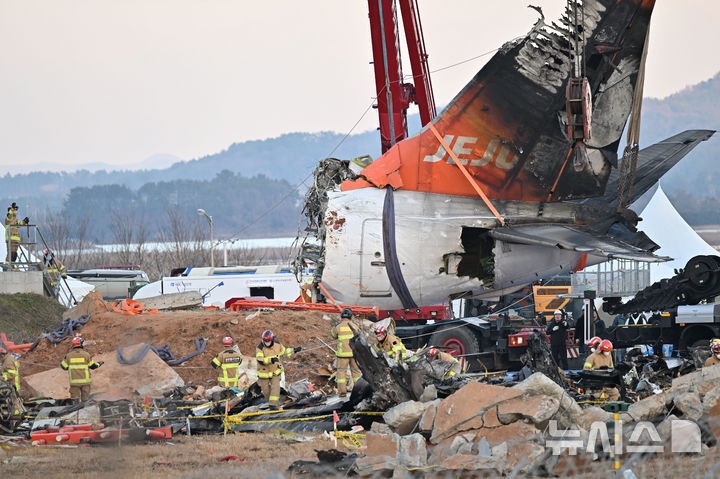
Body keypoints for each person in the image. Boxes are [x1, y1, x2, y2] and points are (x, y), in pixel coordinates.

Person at [255, 330, 301, 408]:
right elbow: (260, 359)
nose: (267, 343)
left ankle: (273, 405)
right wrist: (271, 360)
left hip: (275, 371)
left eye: (268, 341)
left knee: (275, 388)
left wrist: (294, 350)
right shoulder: (259, 348)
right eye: (265, 341)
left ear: (272, 339)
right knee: (266, 391)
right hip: (264, 372)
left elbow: (284, 351)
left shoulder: (277, 344)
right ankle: (272, 404)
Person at [60, 337, 103, 402]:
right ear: (81, 344)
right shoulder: (86, 355)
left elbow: (64, 367)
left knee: (75, 402)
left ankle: (75, 411)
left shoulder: (68, 356)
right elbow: (92, 366)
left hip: (74, 383)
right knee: (86, 401)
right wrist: (99, 363)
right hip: (85, 382)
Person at [330, 308, 361, 397]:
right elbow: (359, 336)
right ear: (351, 316)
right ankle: (358, 392)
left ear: (341, 316)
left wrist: (334, 327)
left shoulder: (338, 326)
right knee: (356, 373)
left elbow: (333, 335)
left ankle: (342, 393)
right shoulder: (355, 326)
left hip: (342, 355)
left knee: (341, 373)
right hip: (354, 354)